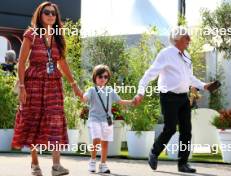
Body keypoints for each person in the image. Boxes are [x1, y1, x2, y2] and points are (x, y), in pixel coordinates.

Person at [11, 2, 82, 176]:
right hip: (33, 84)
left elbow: (62, 63)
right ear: (40, 15)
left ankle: (56, 166)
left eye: (53, 13)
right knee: (33, 122)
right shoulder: (31, 34)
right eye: (46, 12)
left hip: (53, 86)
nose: (50, 15)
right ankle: (35, 164)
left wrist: (74, 84)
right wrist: (22, 86)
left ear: (57, 17)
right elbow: (21, 63)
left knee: (56, 122)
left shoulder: (58, 36)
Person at [133, 27, 212, 173]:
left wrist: (204, 85)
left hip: (183, 97)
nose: (189, 39)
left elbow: (189, 77)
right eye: (186, 37)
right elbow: (150, 74)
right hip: (168, 97)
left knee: (186, 131)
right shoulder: (166, 54)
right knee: (170, 128)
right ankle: (154, 153)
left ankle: (183, 164)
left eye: (189, 37)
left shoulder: (187, 55)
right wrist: (140, 92)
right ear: (177, 39)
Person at [81, 65, 134, 174]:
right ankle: (92, 161)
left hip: (107, 120)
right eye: (100, 76)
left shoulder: (110, 90)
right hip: (94, 119)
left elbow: (120, 101)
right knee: (96, 139)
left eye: (106, 77)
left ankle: (103, 164)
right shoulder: (91, 90)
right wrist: (80, 95)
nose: (103, 79)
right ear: (95, 77)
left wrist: (132, 101)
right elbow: (84, 98)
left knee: (105, 143)